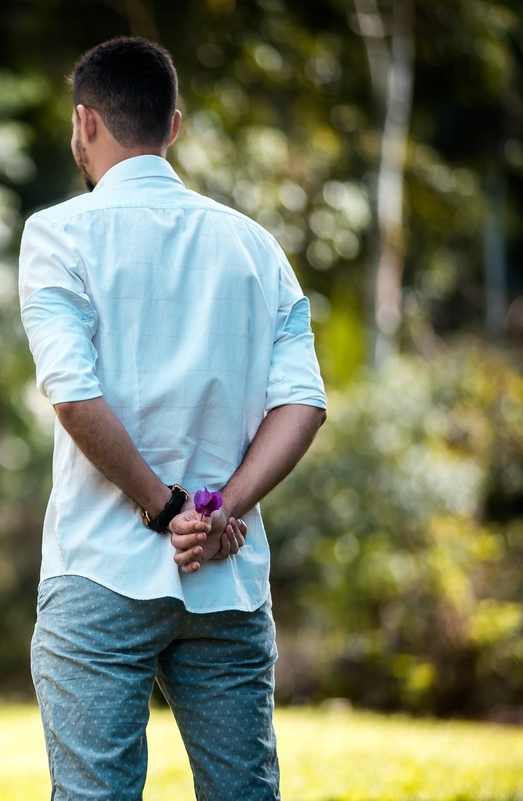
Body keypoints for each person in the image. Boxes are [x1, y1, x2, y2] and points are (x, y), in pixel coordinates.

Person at [19, 37, 327, 801]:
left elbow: (73, 396)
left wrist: (167, 509)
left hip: (99, 567)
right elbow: (304, 403)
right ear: (175, 126)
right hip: (225, 574)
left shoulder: (59, 234)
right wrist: (220, 508)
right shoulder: (256, 246)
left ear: (85, 124)